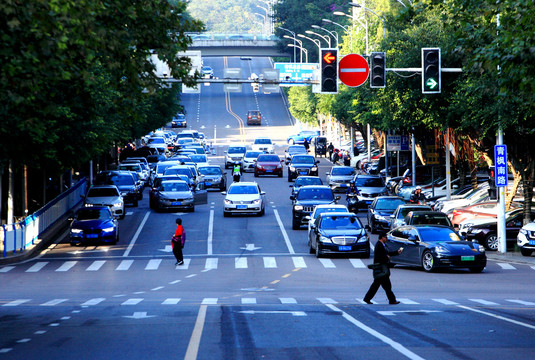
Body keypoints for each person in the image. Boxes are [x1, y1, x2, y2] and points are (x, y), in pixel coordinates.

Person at [363, 232, 403, 304]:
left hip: (382, 269)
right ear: (382, 237)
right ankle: (392, 300)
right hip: (381, 269)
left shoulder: (383, 245)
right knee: (385, 286)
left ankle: (367, 298)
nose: (386, 239)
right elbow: (380, 256)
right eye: (386, 237)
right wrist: (386, 258)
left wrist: (397, 252)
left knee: (379, 285)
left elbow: (387, 253)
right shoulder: (379, 245)